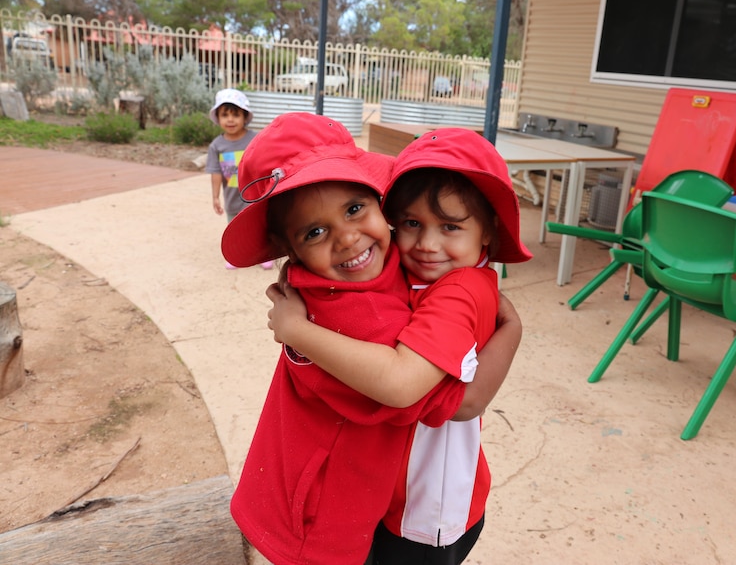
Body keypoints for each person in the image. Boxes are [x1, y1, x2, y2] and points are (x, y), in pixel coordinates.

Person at [221, 114, 521, 565]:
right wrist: (510, 330)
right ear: (290, 247)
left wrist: (296, 328)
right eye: (315, 232)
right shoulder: (375, 292)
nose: (346, 239)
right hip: (367, 509)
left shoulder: (431, 283)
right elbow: (453, 399)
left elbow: (446, 396)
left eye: (355, 209)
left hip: (419, 506)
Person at [205, 88, 272, 270]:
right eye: (225, 115)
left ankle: (263, 253)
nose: (230, 119)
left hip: (256, 196)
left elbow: (266, 164)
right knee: (235, 229)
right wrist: (215, 196)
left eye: (235, 114)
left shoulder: (255, 139)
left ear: (245, 117)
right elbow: (215, 172)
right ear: (218, 118)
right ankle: (237, 255)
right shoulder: (217, 146)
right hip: (233, 197)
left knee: (259, 226)